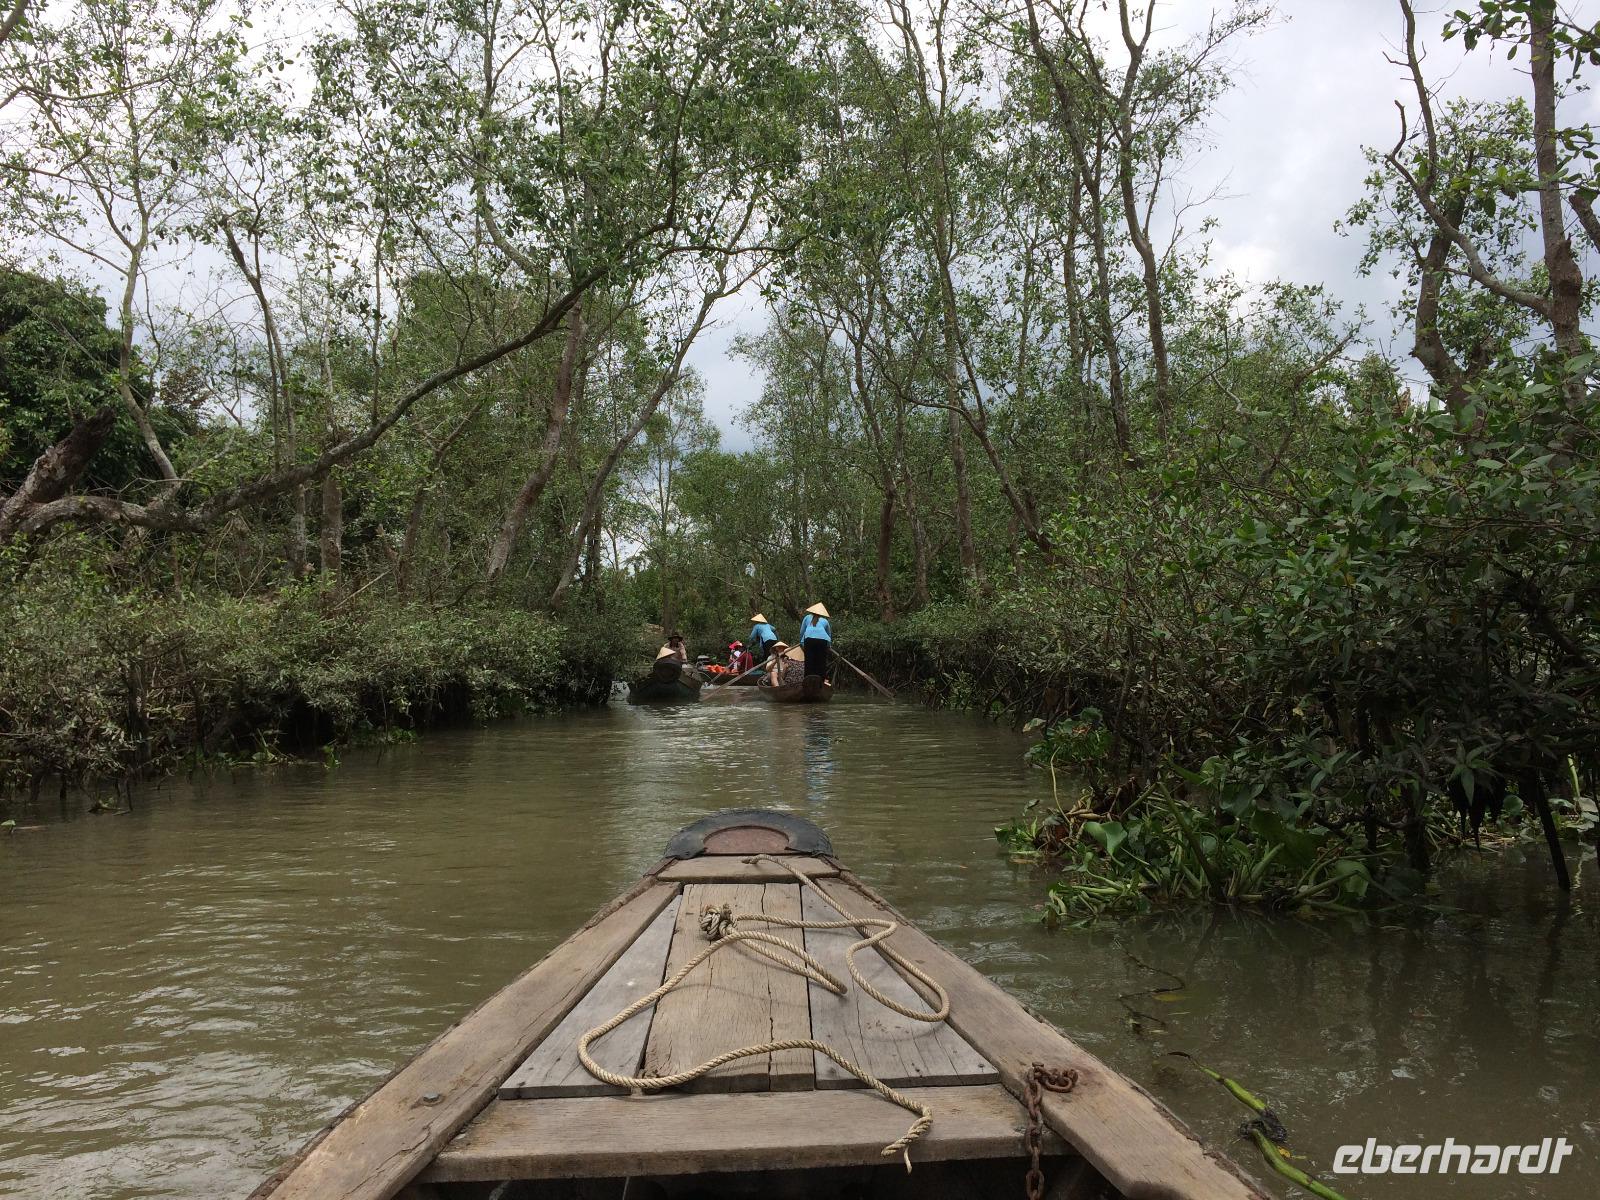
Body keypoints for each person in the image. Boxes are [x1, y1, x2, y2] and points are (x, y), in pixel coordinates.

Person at [798, 602, 831, 681]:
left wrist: (801, 642)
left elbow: (802, 632)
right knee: (821, 662)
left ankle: (808, 680)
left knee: (809, 661)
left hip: (809, 640)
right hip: (823, 641)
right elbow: (829, 634)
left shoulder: (807, 617)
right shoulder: (825, 621)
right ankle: (821, 680)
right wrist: (829, 645)